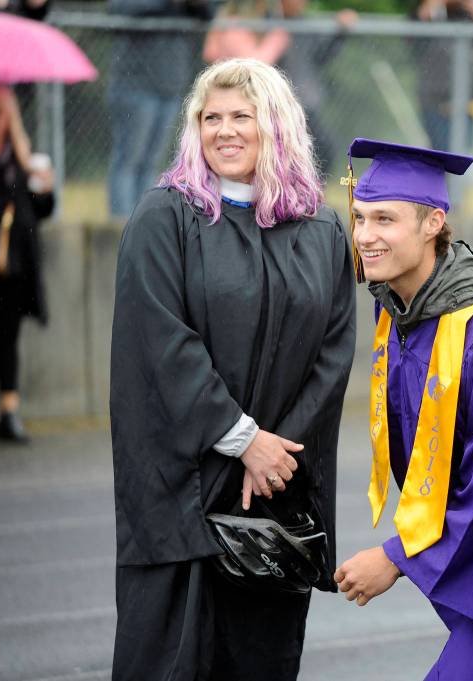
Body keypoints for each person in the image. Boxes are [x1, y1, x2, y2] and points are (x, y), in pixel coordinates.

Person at [109, 58, 355, 681]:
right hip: (185, 491)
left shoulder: (320, 228)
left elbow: (332, 351)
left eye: (241, 116)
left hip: (273, 496)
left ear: (276, 125)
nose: (224, 130)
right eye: (209, 117)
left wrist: (278, 456)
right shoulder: (165, 218)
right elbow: (161, 343)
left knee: (260, 661)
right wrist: (243, 440)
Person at [332, 138, 473, 679]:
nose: (366, 235)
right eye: (359, 217)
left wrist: (398, 558)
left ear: (433, 224)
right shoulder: (404, 318)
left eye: (384, 219)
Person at [0, 85, 54, 443]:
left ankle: (9, 413)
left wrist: (46, 190)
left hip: (12, 263)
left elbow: (40, 211)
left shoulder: (22, 157)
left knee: (8, 336)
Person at [202, 0, 357, 175]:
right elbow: (255, 62)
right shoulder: (253, 25)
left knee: (318, 150)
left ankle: (305, 190)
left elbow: (320, 55)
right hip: (268, 101)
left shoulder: (294, 25)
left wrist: (339, 33)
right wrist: (277, 38)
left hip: (298, 100)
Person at [106, 0, 214, 221]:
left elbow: (208, 12)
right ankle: (121, 224)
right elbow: (120, 7)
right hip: (134, 85)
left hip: (170, 87)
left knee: (151, 162)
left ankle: (143, 221)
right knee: (129, 160)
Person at [409, 0, 473, 151]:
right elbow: (414, 39)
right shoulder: (429, 15)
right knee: (440, 151)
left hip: (467, 99)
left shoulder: (465, 15)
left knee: (461, 152)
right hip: (435, 99)